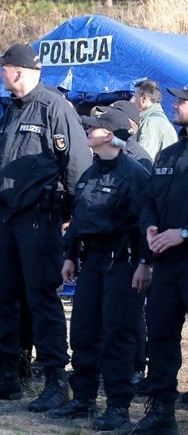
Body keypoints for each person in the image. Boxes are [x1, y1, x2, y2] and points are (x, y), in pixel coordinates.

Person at [0, 44, 91, 412]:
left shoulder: (53, 108)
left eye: (2, 68)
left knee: (41, 299)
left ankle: (55, 379)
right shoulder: (12, 109)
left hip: (39, 218)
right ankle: (8, 374)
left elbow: (77, 167)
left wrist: (67, 215)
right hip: (6, 217)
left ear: (17, 71)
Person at [46, 108, 151, 431]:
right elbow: (79, 221)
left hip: (123, 263)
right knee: (83, 331)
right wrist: (69, 256)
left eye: (95, 126)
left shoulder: (134, 174)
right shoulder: (90, 172)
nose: (88, 130)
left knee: (117, 334)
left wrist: (144, 263)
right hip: (91, 262)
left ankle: (118, 407)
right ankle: (83, 399)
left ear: (110, 134)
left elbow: (146, 222)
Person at [132, 84, 188, 435]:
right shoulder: (169, 154)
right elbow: (149, 199)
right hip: (167, 263)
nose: (177, 104)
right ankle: (161, 412)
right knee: (162, 337)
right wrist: (151, 227)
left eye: (183, 101)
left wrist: (184, 233)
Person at [131, 79, 177, 160]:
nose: (133, 99)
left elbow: (142, 160)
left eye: (135, 96)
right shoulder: (160, 120)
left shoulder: (150, 122)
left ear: (144, 98)